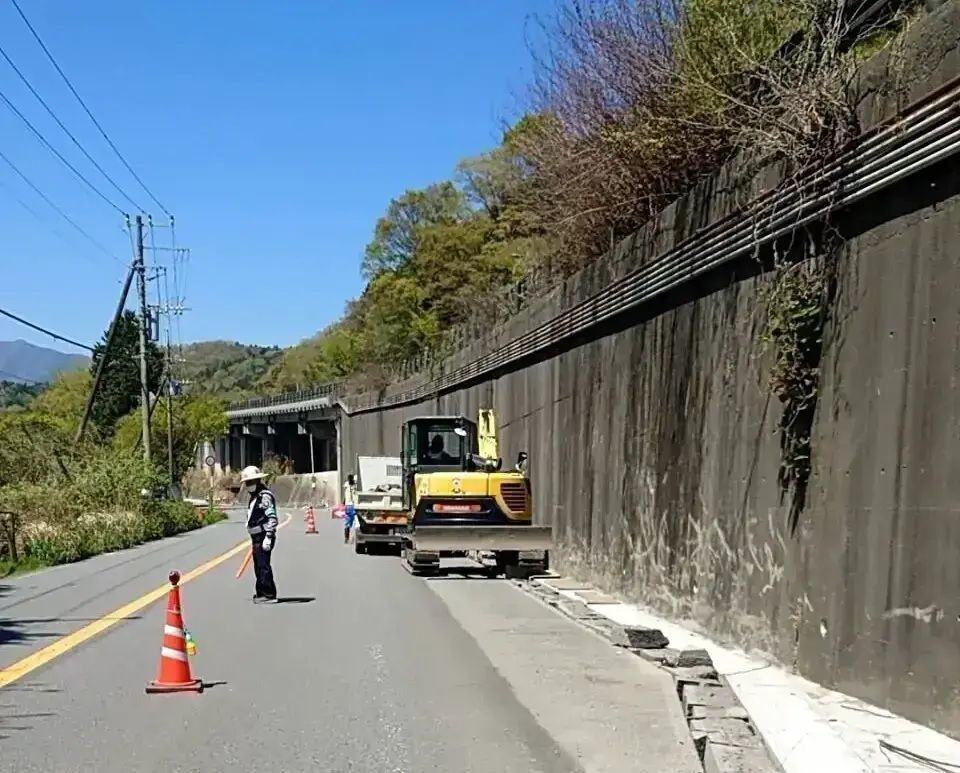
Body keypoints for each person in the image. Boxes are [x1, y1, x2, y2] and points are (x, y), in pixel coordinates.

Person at [241, 465, 278, 603]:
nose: (248, 485)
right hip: (256, 536)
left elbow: (272, 518)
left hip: (263, 534)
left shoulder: (264, 496)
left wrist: (269, 536)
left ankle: (269, 594)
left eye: (250, 482)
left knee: (263, 565)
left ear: (257, 481)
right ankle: (261, 592)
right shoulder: (255, 496)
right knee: (258, 565)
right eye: (247, 482)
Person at [343, 473, 357, 544]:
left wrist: (343, 503)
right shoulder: (356, 486)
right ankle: (354, 538)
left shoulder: (346, 484)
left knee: (347, 523)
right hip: (354, 506)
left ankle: (346, 538)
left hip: (348, 506)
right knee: (355, 523)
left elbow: (345, 496)